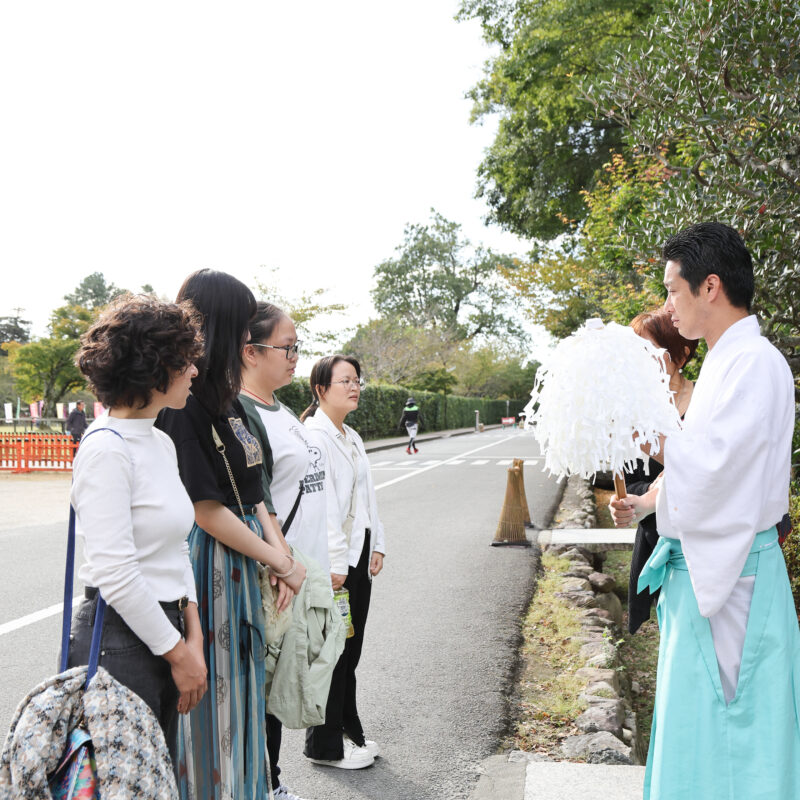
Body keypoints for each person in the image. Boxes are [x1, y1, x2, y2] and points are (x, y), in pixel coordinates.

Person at [610, 222, 800, 798]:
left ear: (709, 286)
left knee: (734, 736)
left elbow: (719, 469)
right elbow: (705, 468)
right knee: (701, 730)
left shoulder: (756, 363)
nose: (668, 306)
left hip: (734, 578)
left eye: (672, 290)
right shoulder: (726, 361)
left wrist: (657, 437)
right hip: (713, 570)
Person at [156, 270, 306, 800]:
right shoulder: (184, 403)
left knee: (243, 693)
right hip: (213, 564)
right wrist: (281, 562)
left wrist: (280, 555)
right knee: (217, 700)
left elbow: (254, 490)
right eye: (243, 325)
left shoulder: (227, 400)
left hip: (245, 562)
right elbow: (206, 509)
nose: (249, 336)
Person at [68, 294, 209, 773]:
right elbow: (116, 572)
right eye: (185, 360)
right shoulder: (106, 449)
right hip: (120, 639)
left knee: (155, 775)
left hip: (166, 627)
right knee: (126, 781)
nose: (194, 371)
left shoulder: (160, 440)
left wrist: (192, 631)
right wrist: (180, 655)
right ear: (155, 366)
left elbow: (177, 548)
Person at [239, 302, 329, 800]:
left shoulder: (283, 409)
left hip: (293, 563)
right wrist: (276, 560)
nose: (295, 356)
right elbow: (256, 498)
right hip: (271, 566)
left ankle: (271, 779)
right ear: (250, 351)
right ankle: (266, 783)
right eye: (287, 347)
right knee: (267, 679)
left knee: (279, 679)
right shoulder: (244, 411)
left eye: (298, 347)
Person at [300, 355, 386, 769]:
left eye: (357, 380)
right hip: (335, 564)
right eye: (345, 380)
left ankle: (350, 732)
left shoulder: (349, 434)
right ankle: (325, 747)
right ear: (320, 389)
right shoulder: (314, 438)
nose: (354, 387)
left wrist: (378, 544)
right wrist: (337, 565)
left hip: (357, 557)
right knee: (332, 654)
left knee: (350, 652)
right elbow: (324, 509)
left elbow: (368, 500)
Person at [623, 309, 697, 634]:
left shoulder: (706, 403)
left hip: (703, 546)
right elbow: (633, 485)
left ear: (680, 354)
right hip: (658, 545)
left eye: (649, 351)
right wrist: (632, 503)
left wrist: (659, 492)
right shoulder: (634, 414)